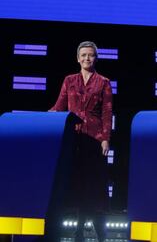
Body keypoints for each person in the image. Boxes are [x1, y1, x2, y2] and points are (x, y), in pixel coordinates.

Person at [50, 41, 113, 241]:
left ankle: (98, 231)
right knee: (75, 184)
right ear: (78, 58)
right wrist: (44, 117)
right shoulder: (69, 81)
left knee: (92, 186)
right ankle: (76, 231)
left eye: (91, 55)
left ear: (96, 58)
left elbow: (107, 112)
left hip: (94, 140)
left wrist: (105, 139)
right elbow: (59, 107)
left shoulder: (103, 82)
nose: (87, 58)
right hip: (73, 140)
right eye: (84, 55)